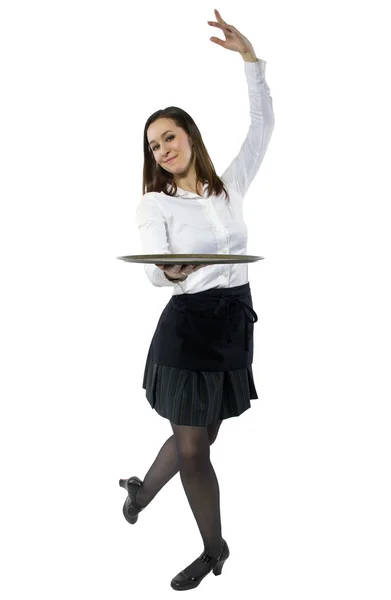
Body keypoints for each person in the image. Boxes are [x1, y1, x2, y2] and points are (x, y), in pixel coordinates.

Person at [119, 9, 275, 591]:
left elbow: (262, 127)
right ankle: (215, 550)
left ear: (190, 137)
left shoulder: (228, 186)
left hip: (234, 324)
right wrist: (176, 270)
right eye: (153, 144)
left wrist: (250, 59)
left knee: (199, 437)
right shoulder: (154, 206)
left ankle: (140, 491)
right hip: (186, 328)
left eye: (170, 137)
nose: (162, 149)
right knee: (194, 448)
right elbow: (157, 277)